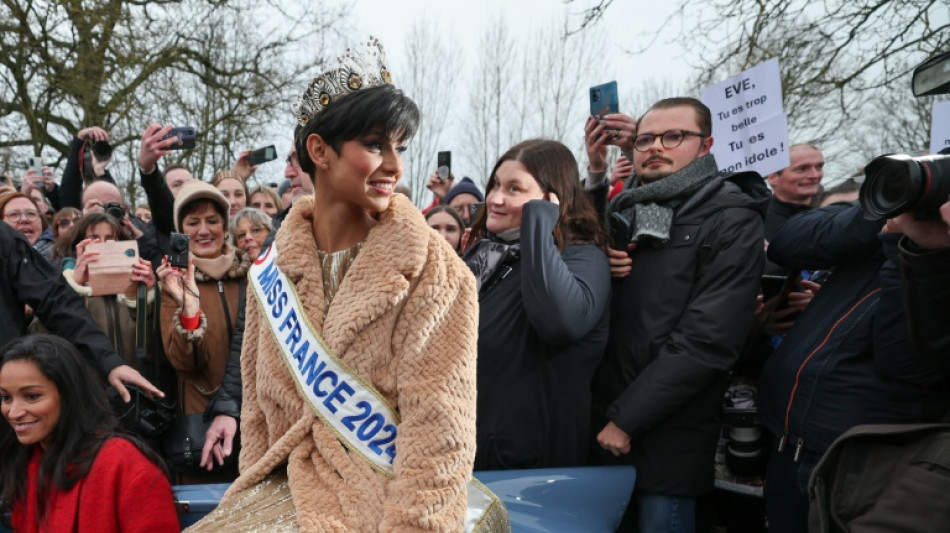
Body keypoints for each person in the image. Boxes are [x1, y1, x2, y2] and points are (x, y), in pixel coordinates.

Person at [186, 40, 495, 532]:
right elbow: (259, 414)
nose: (395, 165)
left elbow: (441, 431)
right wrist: (250, 503)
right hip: (282, 492)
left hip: (382, 495)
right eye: (375, 145)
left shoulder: (436, 272)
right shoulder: (272, 268)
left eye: (400, 147)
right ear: (319, 151)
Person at [589, 97, 768, 532]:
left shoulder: (731, 216)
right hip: (603, 423)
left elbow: (708, 339)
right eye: (645, 139)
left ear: (705, 146)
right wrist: (598, 261)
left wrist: (627, 419)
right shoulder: (628, 209)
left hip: (665, 436)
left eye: (674, 137)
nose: (655, 147)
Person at [757, 199, 948, 533]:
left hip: (863, 465)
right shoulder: (881, 219)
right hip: (788, 444)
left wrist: (909, 250)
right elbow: (787, 241)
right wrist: (884, 210)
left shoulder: (928, 255)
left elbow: (905, 362)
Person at [465, 139, 610, 470]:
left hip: (530, 467)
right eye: (495, 185)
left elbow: (560, 323)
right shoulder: (487, 256)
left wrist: (540, 221)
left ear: (551, 198)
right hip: (470, 451)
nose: (495, 198)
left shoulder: (583, 257)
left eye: (514, 189)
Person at [0, 334, 178, 533]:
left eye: (32, 396)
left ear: (69, 394)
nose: (13, 412)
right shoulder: (26, 460)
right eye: (6, 397)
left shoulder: (125, 464)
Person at [157, 181, 249, 423]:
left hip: (255, 412)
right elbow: (184, 362)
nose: (203, 230)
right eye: (193, 223)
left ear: (225, 227)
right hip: (202, 417)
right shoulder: (173, 283)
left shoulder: (252, 274)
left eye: (212, 220)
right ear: (180, 231)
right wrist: (189, 311)